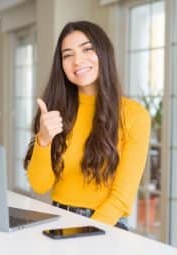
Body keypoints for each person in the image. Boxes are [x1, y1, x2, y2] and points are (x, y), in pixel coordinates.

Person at [24, 21, 151, 230]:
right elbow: (39, 185)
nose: (77, 61)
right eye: (67, 55)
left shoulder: (133, 115)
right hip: (58, 220)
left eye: (87, 49)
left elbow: (121, 198)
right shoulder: (54, 112)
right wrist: (44, 140)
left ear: (104, 52)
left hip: (106, 226)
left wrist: (86, 233)